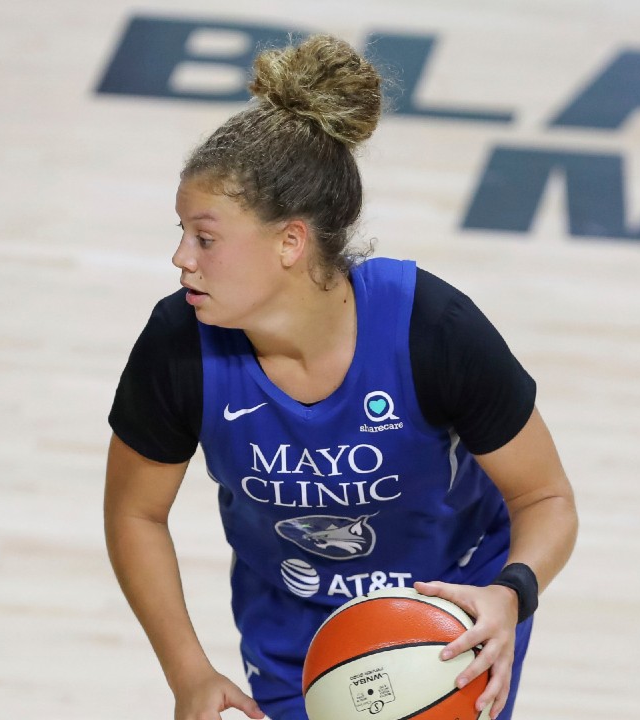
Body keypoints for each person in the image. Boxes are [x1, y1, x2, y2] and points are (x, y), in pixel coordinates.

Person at [103, 35, 579, 720]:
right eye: (182, 232)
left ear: (290, 242)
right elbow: (134, 513)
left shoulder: (432, 329)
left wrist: (511, 594)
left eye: (205, 237)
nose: (181, 258)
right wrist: (188, 673)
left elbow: (547, 498)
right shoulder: (178, 344)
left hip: (449, 622)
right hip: (293, 634)